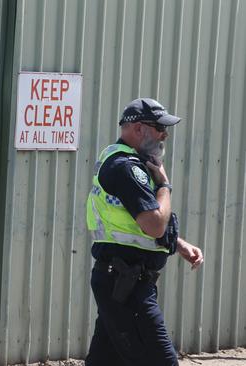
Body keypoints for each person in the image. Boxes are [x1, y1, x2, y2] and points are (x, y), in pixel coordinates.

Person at [85, 97, 204, 366]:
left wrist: (179, 244)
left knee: (105, 360)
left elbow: (136, 220)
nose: (166, 134)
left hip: (121, 280)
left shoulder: (130, 162)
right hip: (127, 284)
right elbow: (153, 223)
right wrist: (164, 185)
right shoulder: (127, 168)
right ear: (138, 129)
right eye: (160, 128)